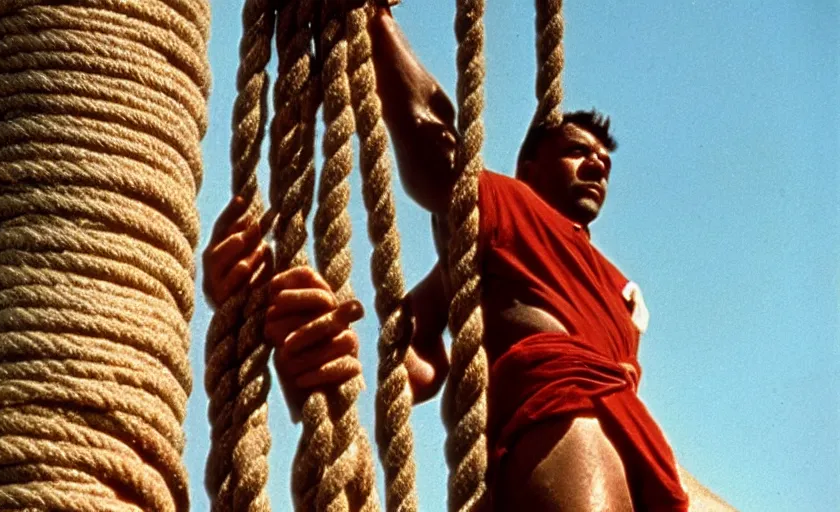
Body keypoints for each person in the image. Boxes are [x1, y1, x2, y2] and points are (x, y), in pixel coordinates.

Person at [204, 4, 734, 510]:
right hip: (565, 418)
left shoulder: (608, 278)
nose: (596, 164)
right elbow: (435, 152)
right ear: (529, 164)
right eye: (577, 151)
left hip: (637, 434)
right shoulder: (511, 207)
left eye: (604, 161)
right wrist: (376, 21)